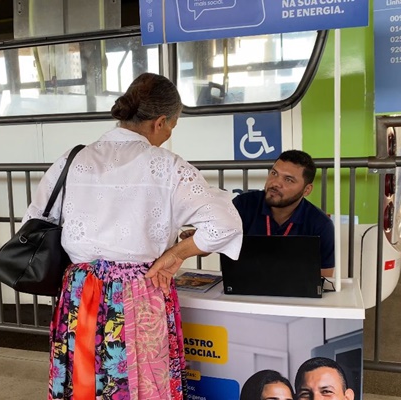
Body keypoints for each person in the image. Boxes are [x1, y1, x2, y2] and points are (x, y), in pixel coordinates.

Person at [22, 72, 243, 399]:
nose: (169, 135)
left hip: (80, 293)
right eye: (172, 127)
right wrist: (176, 253)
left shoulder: (74, 159)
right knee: (140, 380)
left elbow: (35, 219)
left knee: (85, 379)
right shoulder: (168, 166)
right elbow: (225, 224)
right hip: (140, 291)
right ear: (161, 122)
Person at [232, 150, 335, 278]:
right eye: (274, 173)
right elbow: (206, 248)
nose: (275, 183)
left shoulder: (321, 224)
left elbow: (324, 278)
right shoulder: (242, 205)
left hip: (296, 296)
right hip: (242, 290)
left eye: (288, 180)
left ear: (307, 190)